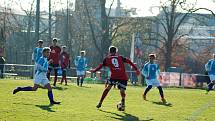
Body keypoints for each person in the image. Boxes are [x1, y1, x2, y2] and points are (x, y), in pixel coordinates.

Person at [90, 46, 140, 111]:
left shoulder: (107, 59)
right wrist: (136, 69)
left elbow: (101, 66)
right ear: (116, 51)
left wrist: (94, 70)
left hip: (114, 76)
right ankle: (123, 102)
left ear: (109, 51)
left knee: (108, 88)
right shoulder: (120, 57)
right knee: (122, 90)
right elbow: (129, 61)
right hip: (122, 76)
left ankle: (100, 103)